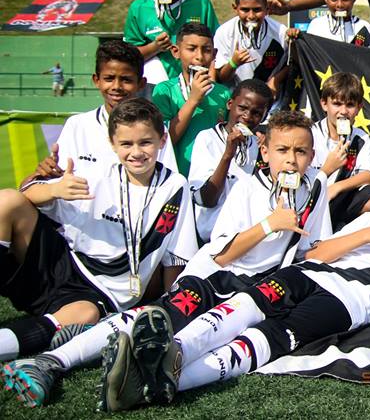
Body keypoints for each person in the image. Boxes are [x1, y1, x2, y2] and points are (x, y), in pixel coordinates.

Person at [0, 109, 331, 408]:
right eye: (282, 150)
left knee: (214, 335)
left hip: (257, 286)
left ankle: (143, 376)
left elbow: (311, 247)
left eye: (300, 152)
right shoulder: (246, 187)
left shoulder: (317, 183)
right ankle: (51, 361)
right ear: (265, 152)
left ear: (312, 156)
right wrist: (269, 224)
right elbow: (222, 254)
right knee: (163, 317)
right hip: (215, 276)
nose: (291, 161)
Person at [97, 159, 370, 411]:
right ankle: (175, 350)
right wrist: (367, 234)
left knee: (270, 337)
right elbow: (319, 254)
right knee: (245, 305)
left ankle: (163, 383)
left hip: (348, 304)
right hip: (308, 274)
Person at [0, 98, 197, 361]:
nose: (136, 152)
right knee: (7, 201)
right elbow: (28, 194)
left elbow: (176, 257)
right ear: (112, 144)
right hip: (63, 263)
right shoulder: (97, 175)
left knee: (86, 315)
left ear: (162, 140)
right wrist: (54, 189)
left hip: (101, 293)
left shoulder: (175, 187)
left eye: (145, 142)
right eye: (126, 144)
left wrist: (172, 311)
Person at [25, 40, 179, 183]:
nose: (116, 86)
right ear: (96, 80)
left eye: (126, 79)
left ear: (141, 83)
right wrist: (46, 174)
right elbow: (57, 179)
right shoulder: (77, 125)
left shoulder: (155, 128)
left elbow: (169, 183)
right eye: (109, 78)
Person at [188, 79, 273, 240]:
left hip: (243, 233)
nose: (247, 116)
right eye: (242, 108)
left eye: (256, 113)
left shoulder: (257, 146)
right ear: (230, 104)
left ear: (264, 117)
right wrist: (228, 154)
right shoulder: (208, 139)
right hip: (210, 234)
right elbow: (206, 200)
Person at [123, 0, 219, 87]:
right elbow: (128, 57)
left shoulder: (200, 3)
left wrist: (212, 79)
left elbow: (214, 45)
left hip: (196, 81)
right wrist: (155, 47)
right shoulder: (139, 9)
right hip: (155, 86)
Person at [152, 23, 231, 174]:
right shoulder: (164, 91)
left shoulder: (223, 94)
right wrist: (193, 100)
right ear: (176, 51)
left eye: (206, 50)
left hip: (212, 177)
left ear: (214, 54)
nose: (199, 56)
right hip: (177, 175)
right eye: (191, 49)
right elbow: (165, 140)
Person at [309, 72, 370, 230]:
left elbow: (368, 175)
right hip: (311, 195)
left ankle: (342, 229)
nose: (343, 111)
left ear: (359, 108)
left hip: (337, 198)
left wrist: (337, 188)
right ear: (324, 104)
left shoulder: (360, 138)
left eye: (349, 105)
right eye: (337, 104)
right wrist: (327, 170)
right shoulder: (310, 133)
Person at [213, 0, 290, 93]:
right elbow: (221, 77)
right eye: (245, 10)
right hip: (238, 97)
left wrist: (275, 80)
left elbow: (292, 63)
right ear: (235, 8)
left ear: (267, 8)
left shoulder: (280, 32)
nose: (251, 16)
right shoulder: (224, 32)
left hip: (271, 98)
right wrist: (234, 63)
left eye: (257, 10)